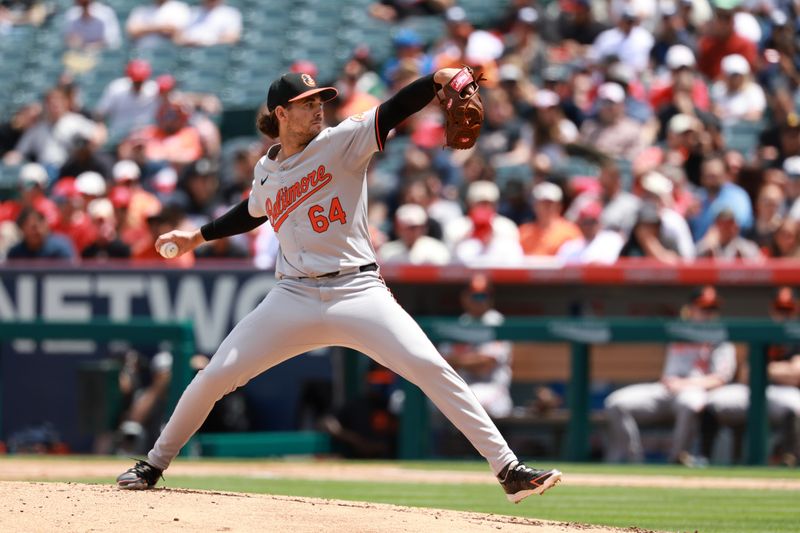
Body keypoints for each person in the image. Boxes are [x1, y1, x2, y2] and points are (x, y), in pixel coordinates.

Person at [115, 69, 562, 501]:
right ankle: (154, 464)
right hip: (292, 295)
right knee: (214, 375)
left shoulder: (342, 140)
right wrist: (196, 236)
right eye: (306, 103)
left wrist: (435, 80)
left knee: (432, 369)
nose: (317, 109)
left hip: (358, 291)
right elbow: (252, 211)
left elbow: (392, 109)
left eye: (319, 101)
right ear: (280, 114)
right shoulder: (267, 169)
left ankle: (508, 469)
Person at [604, 286, 737, 464]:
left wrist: (685, 384)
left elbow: (720, 379)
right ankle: (633, 461)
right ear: (690, 309)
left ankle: (677, 460)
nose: (708, 313)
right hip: (664, 389)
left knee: (689, 404)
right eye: (703, 308)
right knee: (615, 403)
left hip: (694, 391)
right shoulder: (676, 329)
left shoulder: (721, 339)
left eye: (712, 308)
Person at [705, 287, 800, 466]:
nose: (784, 314)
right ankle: (703, 458)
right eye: (780, 309)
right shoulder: (765, 332)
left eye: (788, 309)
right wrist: (781, 369)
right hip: (754, 390)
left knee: (796, 405)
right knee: (714, 402)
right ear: (772, 309)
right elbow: (745, 375)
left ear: (796, 309)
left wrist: (764, 369)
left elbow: (796, 375)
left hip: (786, 392)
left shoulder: (797, 336)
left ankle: (791, 458)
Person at [439, 274, 513, 419]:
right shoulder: (461, 323)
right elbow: (442, 360)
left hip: (493, 389)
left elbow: (485, 364)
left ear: (490, 299)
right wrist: (470, 359)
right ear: (464, 297)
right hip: (461, 387)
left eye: (483, 296)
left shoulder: (497, 322)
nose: (479, 301)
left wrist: (458, 360)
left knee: (470, 401)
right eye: (474, 296)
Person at [378, 203, 450, 265]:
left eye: (415, 227)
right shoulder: (387, 251)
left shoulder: (437, 250)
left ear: (424, 227)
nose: (410, 231)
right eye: (406, 227)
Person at [6, 207, 76, 260]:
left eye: (41, 224)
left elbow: (70, 276)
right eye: (33, 227)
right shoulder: (16, 253)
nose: (38, 230)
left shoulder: (60, 247)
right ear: (22, 229)